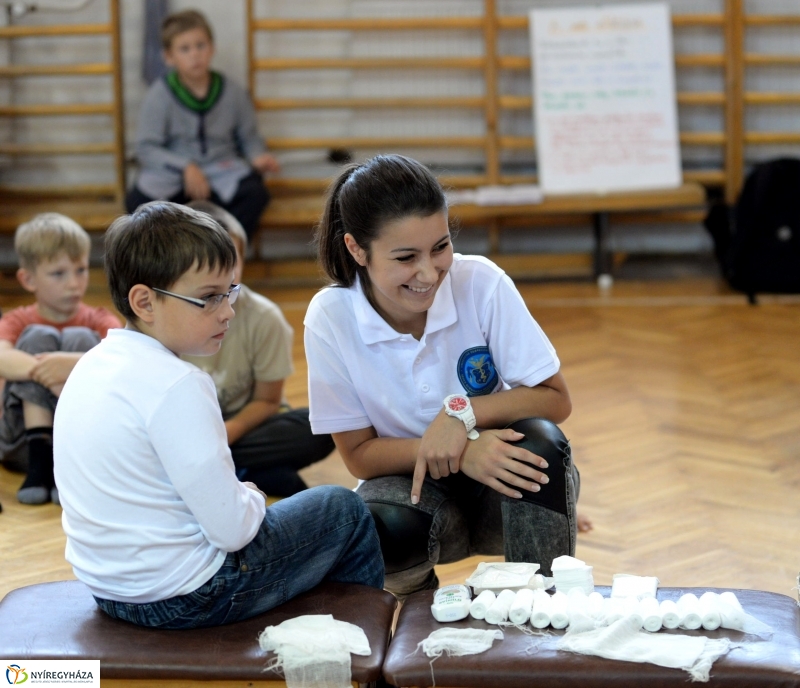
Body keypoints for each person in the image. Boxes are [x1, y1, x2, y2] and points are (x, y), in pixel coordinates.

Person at [53, 201, 383, 629]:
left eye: (230, 292)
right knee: (344, 509)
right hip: (190, 595)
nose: (227, 310)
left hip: (109, 592)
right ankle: (353, 656)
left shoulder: (92, 364)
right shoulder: (178, 383)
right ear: (144, 301)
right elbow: (233, 531)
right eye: (209, 298)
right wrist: (251, 496)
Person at [305, 154, 582, 596]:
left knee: (542, 447)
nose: (429, 272)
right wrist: (456, 453)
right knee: (379, 520)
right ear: (357, 249)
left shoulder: (481, 283)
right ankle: (416, 629)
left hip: (499, 488)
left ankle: (547, 608)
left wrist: (461, 416)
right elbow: (358, 455)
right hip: (413, 500)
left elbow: (554, 398)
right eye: (405, 257)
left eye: (440, 247)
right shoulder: (330, 316)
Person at [183, 201, 335, 496]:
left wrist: (223, 436)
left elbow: (267, 401)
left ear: (243, 257)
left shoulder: (265, 318)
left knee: (320, 425)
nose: (224, 273)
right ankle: (250, 473)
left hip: (242, 431)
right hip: (185, 431)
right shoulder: (174, 318)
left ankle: (217, 469)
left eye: (231, 259)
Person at [125, 9, 279, 239]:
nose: (195, 54)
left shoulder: (233, 91)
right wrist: (186, 167)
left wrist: (258, 156)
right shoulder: (159, 95)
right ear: (169, 56)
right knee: (139, 202)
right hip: (174, 178)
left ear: (212, 48)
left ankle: (222, 252)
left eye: (200, 45)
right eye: (184, 49)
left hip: (221, 172)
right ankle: (177, 263)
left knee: (255, 194)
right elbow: (147, 148)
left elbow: (248, 136)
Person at [0, 213, 121, 505]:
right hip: (22, 445)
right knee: (36, 336)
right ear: (28, 279)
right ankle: (42, 463)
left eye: (80, 270)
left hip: (84, 445)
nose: (73, 283)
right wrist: (50, 371)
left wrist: (71, 366)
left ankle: (64, 465)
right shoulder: (17, 319)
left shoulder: (99, 318)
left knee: (81, 338)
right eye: (59, 273)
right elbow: (2, 358)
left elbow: (125, 361)